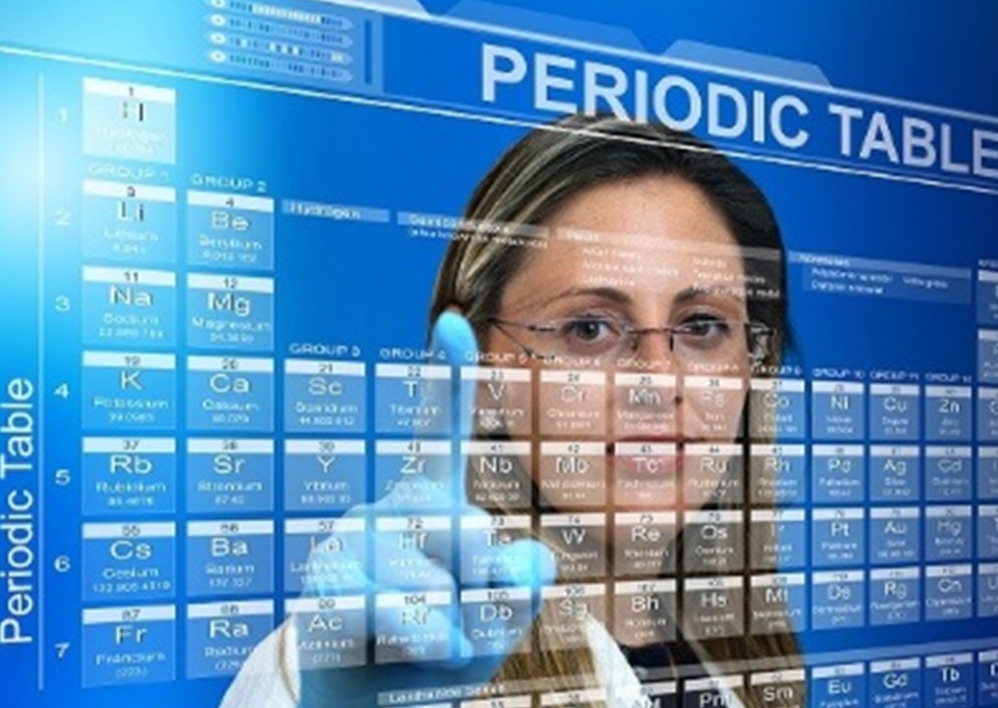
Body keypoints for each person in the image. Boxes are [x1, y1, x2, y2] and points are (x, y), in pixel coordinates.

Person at [222, 113, 801, 708]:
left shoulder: (737, 665)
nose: (658, 378)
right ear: (482, 365)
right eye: (589, 327)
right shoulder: (367, 661)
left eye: (703, 325)